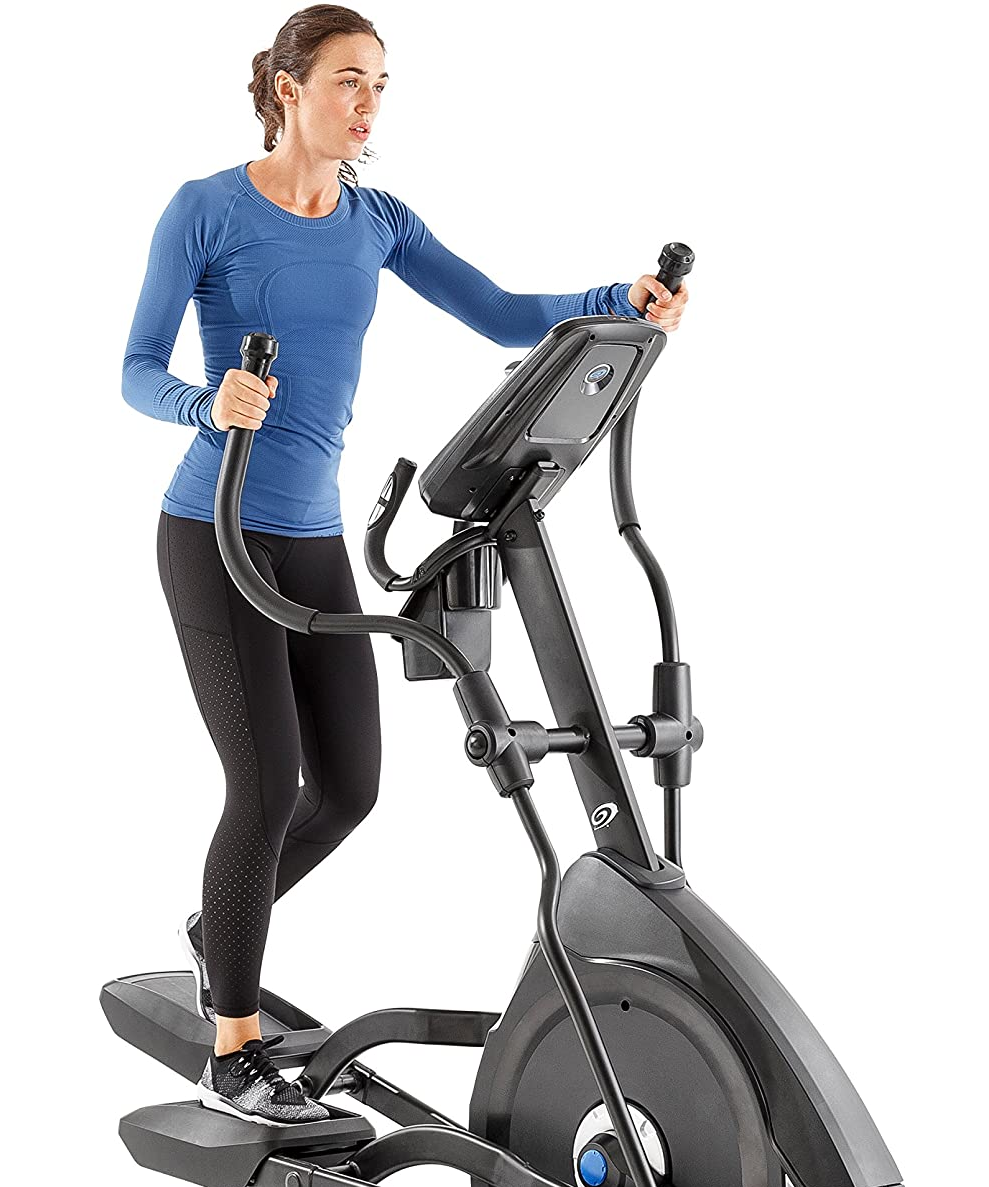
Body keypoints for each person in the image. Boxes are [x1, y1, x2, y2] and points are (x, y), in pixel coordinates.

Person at [121, 4, 689, 1126]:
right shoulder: (207, 209)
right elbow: (136, 367)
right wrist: (205, 401)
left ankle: (220, 926)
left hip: (311, 535)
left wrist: (613, 303)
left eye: (380, 83)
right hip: (213, 530)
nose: (369, 103)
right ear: (287, 88)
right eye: (349, 81)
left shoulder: (375, 220)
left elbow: (499, 314)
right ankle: (233, 1053)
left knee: (349, 789)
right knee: (263, 785)